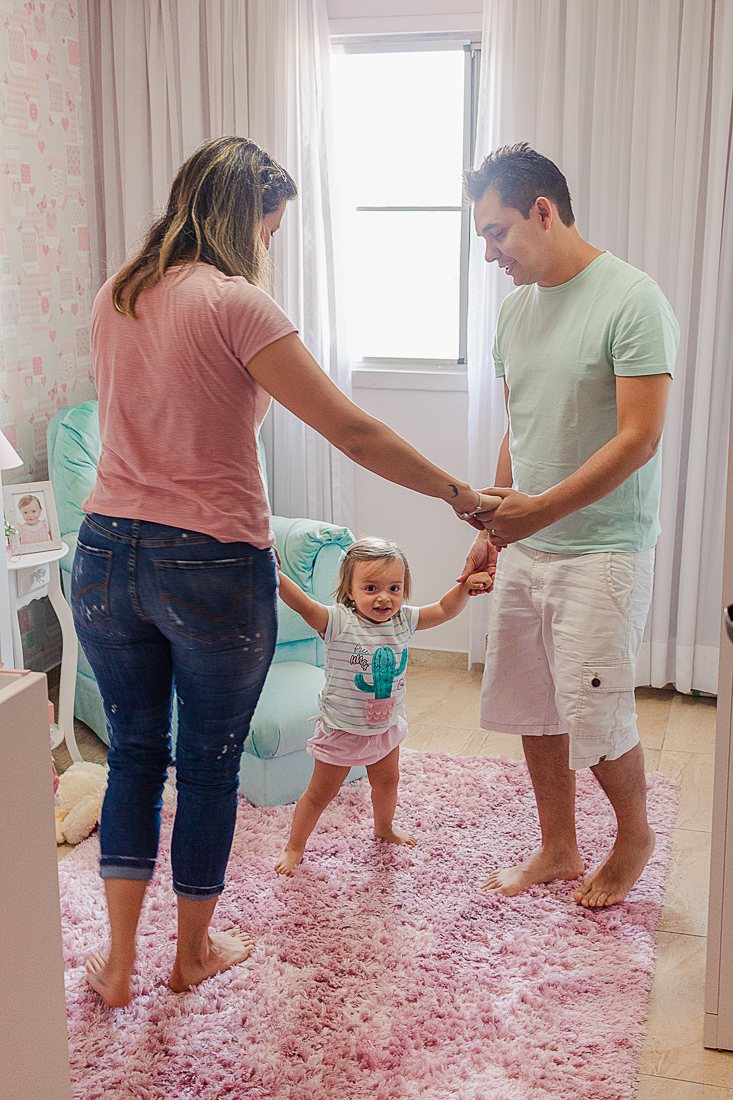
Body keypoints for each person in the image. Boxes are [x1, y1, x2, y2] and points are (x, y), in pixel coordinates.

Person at [73, 135, 494, 1008]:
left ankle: (117, 965)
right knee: (209, 761)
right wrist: (460, 494)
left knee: (135, 757)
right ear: (248, 218)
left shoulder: (120, 292)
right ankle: (189, 954)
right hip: (210, 560)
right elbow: (354, 432)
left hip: (107, 552)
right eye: (273, 224)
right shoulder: (237, 305)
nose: (272, 241)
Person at [459, 143, 679, 908]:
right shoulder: (515, 310)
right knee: (530, 703)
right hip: (528, 540)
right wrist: (494, 521)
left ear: (543, 212)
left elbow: (638, 437)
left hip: (603, 548)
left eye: (496, 233)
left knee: (595, 708)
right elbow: (522, 425)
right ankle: (556, 847)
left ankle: (633, 835)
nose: (488, 253)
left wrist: (540, 511)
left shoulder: (632, 299)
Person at [274, 537, 491, 876]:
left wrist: (464, 588)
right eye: (371, 587)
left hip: (385, 726)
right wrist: (276, 575)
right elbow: (303, 605)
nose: (384, 597)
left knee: (388, 782)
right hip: (342, 730)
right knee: (319, 794)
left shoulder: (403, 620)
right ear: (350, 591)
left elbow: (445, 609)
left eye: (394, 587)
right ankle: (294, 845)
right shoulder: (337, 622)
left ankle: (384, 827)